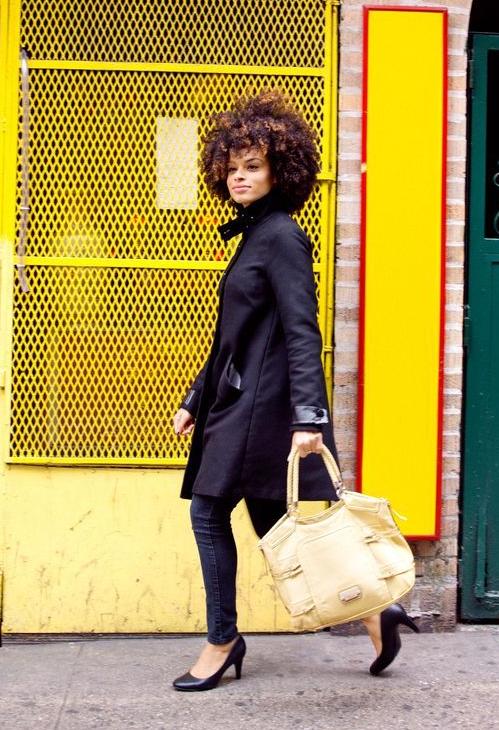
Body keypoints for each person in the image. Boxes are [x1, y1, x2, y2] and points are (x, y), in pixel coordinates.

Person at [169, 90, 417, 691]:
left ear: (281, 169)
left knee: (208, 514)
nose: (239, 177)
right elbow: (237, 337)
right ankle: (375, 610)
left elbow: (304, 332)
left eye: (252, 166)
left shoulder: (281, 236)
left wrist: (309, 418)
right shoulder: (256, 235)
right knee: (271, 523)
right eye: (231, 168)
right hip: (238, 404)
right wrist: (194, 399)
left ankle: (222, 639)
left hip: (262, 413)